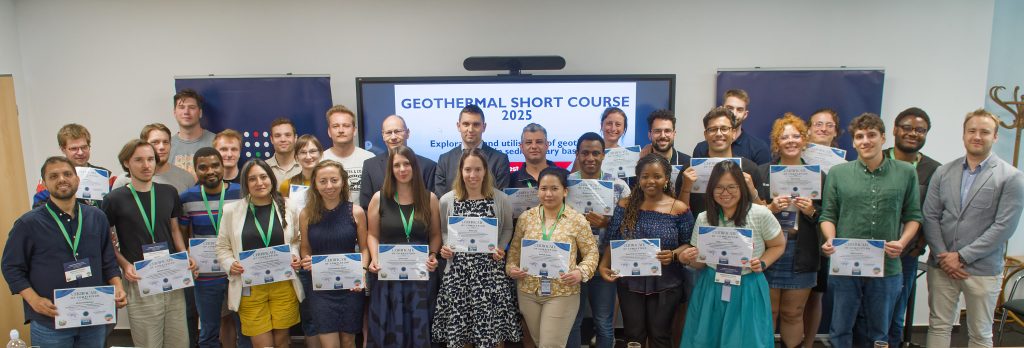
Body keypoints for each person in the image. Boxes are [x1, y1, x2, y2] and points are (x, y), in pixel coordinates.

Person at [819, 113, 922, 348]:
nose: (866, 141)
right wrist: (830, 239)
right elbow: (828, 215)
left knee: (880, 330)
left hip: (887, 264)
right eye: (859, 136)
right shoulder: (838, 173)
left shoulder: (906, 172)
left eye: (872, 135)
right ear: (854, 142)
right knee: (840, 329)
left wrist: (903, 242)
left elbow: (913, 216)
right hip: (844, 264)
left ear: (883, 138)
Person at [923, 109, 1024, 348]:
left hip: (982, 268)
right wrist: (944, 257)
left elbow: (1004, 227)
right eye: (972, 131)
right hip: (942, 265)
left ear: (995, 137)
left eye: (984, 132)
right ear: (964, 135)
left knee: (980, 333)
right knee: (939, 326)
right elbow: (930, 215)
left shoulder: (1011, 177)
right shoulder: (943, 171)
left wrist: (962, 257)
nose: (977, 136)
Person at [2, 157, 127, 347]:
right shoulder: (28, 224)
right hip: (51, 322)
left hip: (94, 317)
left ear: (77, 179)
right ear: (44, 183)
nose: (62, 179)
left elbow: (108, 260)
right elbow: (11, 267)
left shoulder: (97, 217)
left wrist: (117, 286)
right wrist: (33, 300)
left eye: (67, 174)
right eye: (54, 176)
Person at [677, 160, 785, 347]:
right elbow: (700, 262)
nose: (725, 193)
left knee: (747, 340)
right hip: (711, 285)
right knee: (706, 338)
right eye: (719, 188)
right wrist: (687, 258)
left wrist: (763, 262)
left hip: (748, 285)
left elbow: (778, 245)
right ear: (711, 189)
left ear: (742, 187)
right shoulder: (704, 217)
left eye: (731, 187)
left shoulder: (760, 214)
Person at [103, 139, 196, 347]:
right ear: (126, 163)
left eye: (150, 159)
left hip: (172, 275)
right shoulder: (114, 199)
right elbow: (107, 242)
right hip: (139, 277)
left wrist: (184, 255)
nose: (146, 165)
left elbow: (174, 230)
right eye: (139, 160)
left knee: (179, 341)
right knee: (148, 342)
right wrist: (124, 264)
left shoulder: (168, 192)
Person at [596, 154, 693, 348]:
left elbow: (689, 243)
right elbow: (612, 239)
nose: (650, 181)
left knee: (660, 335)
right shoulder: (625, 204)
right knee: (633, 335)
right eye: (645, 176)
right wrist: (603, 266)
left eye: (657, 176)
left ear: (666, 179)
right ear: (638, 178)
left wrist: (674, 254)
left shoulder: (679, 208)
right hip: (630, 282)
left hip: (667, 282)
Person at [432, 148, 521, 347]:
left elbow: (507, 228)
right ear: (461, 171)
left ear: (485, 171)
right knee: (462, 334)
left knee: (494, 334)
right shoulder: (447, 200)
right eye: (468, 169)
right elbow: (445, 231)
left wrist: (501, 247)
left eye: (478, 169)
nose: (473, 175)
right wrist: (446, 247)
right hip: (458, 275)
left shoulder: (500, 198)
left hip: (490, 275)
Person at [506, 167, 600, 348]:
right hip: (528, 292)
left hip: (562, 292)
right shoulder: (526, 218)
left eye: (554, 188)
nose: (548, 194)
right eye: (543, 188)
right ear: (537, 190)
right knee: (541, 343)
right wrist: (511, 269)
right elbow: (514, 254)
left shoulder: (577, 219)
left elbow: (591, 253)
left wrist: (581, 272)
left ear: (565, 191)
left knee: (550, 345)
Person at [216, 159, 304, 348]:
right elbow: (222, 247)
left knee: (282, 342)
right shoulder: (231, 211)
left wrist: (295, 254)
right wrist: (230, 263)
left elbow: (296, 239)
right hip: (250, 287)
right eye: (252, 179)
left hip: (283, 283)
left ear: (271, 178)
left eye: (263, 177)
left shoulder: (289, 207)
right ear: (245, 184)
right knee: (262, 344)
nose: (259, 183)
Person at [755, 114, 823, 348]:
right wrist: (771, 208)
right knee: (769, 312)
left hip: (800, 251)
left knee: (793, 313)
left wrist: (811, 211)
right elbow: (750, 213)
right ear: (777, 142)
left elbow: (827, 217)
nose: (791, 140)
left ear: (804, 140)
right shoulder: (763, 172)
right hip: (770, 250)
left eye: (796, 136)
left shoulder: (818, 175)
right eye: (785, 137)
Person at [366, 145, 442, 347]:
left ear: (414, 167)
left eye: (406, 164)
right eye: (396, 165)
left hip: (420, 277)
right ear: (390, 169)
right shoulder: (379, 198)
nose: (402, 169)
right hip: (388, 277)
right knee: (390, 330)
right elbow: (372, 234)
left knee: (419, 331)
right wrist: (374, 257)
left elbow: (435, 234)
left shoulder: (429, 198)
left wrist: (433, 254)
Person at [880, 107, 941, 347]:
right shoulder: (877, 158)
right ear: (895, 129)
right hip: (872, 249)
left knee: (896, 312)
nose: (913, 133)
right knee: (866, 310)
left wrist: (921, 244)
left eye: (920, 130)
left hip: (907, 253)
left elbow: (935, 212)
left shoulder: (935, 169)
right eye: (907, 127)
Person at [178, 147, 249, 348]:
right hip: (206, 274)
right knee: (208, 329)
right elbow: (183, 234)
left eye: (215, 165)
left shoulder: (241, 192)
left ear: (222, 166)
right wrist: (187, 258)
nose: (210, 171)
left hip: (238, 271)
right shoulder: (187, 198)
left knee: (245, 327)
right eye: (203, 167)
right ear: (195, 170)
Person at [566, 132, 631, 348]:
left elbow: (629, 229)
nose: (590, 158)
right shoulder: (566, 184)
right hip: (572, 262)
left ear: (604, 155)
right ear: (577, 154)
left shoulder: (620, 187)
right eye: (584, 153)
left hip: (604, 263)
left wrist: (607, 224)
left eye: (596, 153)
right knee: (572, 322)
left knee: (604, 322)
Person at [298, 161, 368, 348]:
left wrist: (362, 271)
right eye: (323, 181)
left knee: (348, 340)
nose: (329, 186)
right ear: (315, 184)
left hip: (351, 287)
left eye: (334, 180)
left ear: (343, 182)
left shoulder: (356, 212)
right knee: (329, 344)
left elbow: (364, 249)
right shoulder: (306, 214)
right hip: (321, 288)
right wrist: (307, 260)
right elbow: (305, 247)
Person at [276, 134, 324, 347]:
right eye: (303, 152)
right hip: (302, 253)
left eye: (313, 151)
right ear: (296, 156)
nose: (308, 156)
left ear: (321, 154)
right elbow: (285, 223)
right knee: (309, 314)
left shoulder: (330, 180)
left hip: (328, 251)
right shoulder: (288, 185)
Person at [802, 108, 842, 348]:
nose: (823, 129)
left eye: (829, 125)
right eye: (818, 124)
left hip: (823, 238)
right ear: (808, 129)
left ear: (835, 132)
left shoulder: (844, 164)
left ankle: (808, 344)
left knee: (816, 295)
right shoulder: (796, 156)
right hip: (797, 237)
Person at [678, 106, 764, 217]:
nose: (718, 134)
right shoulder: (689, 169)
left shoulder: (750, 168)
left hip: (738, 233)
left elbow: (764, 215)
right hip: (698, 232)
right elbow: (678, 216)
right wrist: (686, 188)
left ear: (733, 133)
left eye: (724, 128)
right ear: (705, 135)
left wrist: (752, 191)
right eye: (712, 129)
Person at [359, 115, 437, 209]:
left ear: (407, 133)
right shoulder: (370, 166)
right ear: (383, 135)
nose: (393, 137)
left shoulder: (428, 166)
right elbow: (366, 207)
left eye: (397, 131)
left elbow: (431, 206)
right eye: (388, 132)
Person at [435, 104, 511, 196]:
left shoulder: (500, 160)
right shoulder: (445, 160)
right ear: (458, 126)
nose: (470, 129)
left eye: (476, 124)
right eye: (466, 124)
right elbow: (442, 200)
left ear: (484, 127)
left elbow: (501, 199)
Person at [32, 124, 114, 207]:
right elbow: (39, 208)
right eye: (74, 149)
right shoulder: (51, 177)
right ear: (63, 149)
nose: (80, 152)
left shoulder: (105, 175)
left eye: (84, 147)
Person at [691, 89, 771, 165]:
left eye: (739, 110)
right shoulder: (701, 148)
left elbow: (762, 178)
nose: (734, 114)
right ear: (722, 109)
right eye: (730, 108)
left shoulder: (759, 148)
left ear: (745, 114)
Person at [112, 123, 196, 194]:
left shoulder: (186, 178)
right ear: (143, 145)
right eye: (155, 142)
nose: (162, 147)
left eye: (166, 142)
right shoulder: (123, 181)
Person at [320, 105, 375, 203]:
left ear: (354, 130)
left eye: (346, 126)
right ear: (329, 131)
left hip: (364, 217)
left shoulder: (370, 158)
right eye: (335, 126)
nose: (341, 130)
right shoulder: (320, 160)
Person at [169, 88, 218, 176]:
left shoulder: (216, 142)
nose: (186, 112)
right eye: (181, 107)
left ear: (200, 113)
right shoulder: (166, 146)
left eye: (191, 107)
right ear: (174, 113)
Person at [645, 109, 692, 194]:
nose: (663, 136)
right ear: (649, 135)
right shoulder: (640, 163)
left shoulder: (688, 163)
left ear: (674, 134)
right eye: (657, 131)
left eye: (667, 131)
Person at [510, 123, 556, 188]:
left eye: (539, 142)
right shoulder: (510, 180)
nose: (534, 146)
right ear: (521, 147)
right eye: (529, 142)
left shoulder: (565, 176)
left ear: (547, 145)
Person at [267, 117, 301, 182]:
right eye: (277, 136)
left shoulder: (306, 166)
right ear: (271, 139)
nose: (283, 139)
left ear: (295, 138)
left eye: (288, 135)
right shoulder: (263, 168)